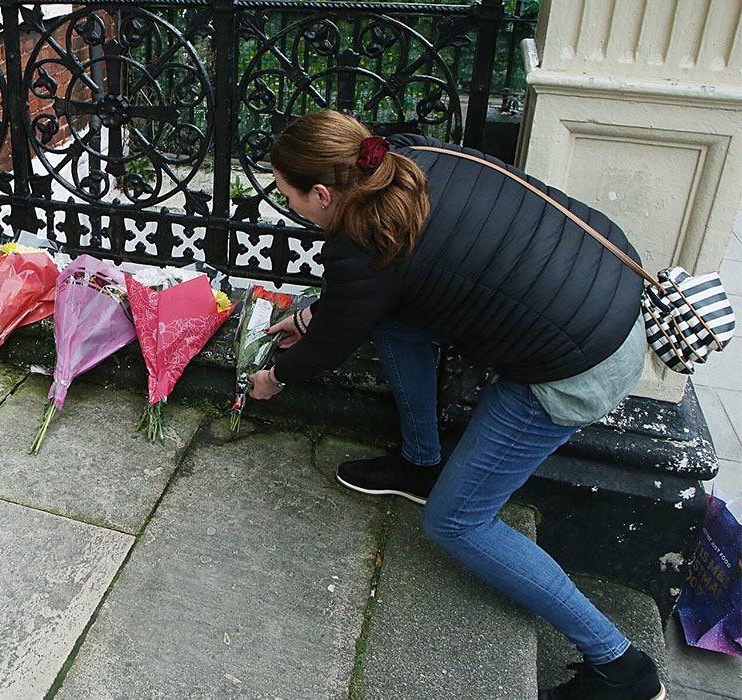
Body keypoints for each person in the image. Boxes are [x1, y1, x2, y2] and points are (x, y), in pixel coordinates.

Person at [248, 110, 664, 700]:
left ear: (321, 193)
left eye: (289, 197)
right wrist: (315, 314)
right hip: (608, 294)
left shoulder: (359, 243)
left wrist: (276, 378)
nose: (291, 208)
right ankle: (421, 463)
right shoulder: (409, 162)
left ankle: (621, 667)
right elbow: (363, 306)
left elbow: (333, 338)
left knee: (456, 521)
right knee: (393, 326)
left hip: (575, 366)